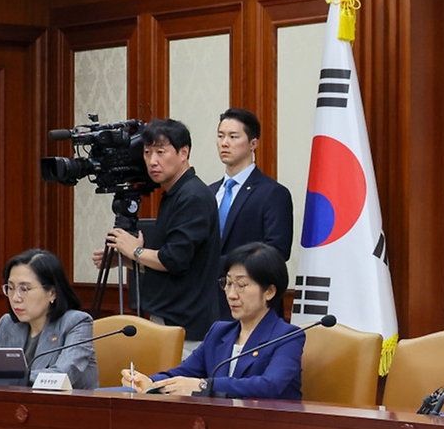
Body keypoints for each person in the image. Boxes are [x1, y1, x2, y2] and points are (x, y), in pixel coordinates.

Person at [93, 118, 220, 347]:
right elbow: (175, 266)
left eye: (161, 152)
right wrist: (126, 260)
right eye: (147, 152)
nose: (152, 161)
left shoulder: (192, 196)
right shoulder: (175, 193)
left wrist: (136, 250)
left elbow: (174, 259)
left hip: (186, 327)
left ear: (184, 153)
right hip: (170, 318)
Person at [119, 242, 302, 399]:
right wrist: (150, 382)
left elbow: (268, 386)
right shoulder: (220, 332)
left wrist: (203, 386)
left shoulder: (287, 336)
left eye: (241, 285)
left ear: (269, 291)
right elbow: (184, 373)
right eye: (228, 283)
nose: (231, 294)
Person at [210, 108, 293, 320]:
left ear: (253, 144)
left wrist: (213, 264)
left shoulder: (273, 193)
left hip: (253, 304)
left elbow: (277, 250)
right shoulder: (208, 192)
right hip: (208, 305)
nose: (224, 143)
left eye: (233, 136)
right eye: (220, 136)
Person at [0, 249, 98, 389]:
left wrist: (5, 377)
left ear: (52, 293)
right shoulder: (8, 323)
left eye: (24, 289)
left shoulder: (76, 323)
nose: (15, 298)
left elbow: (61, 376)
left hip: (67, 407)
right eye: (11, 288)